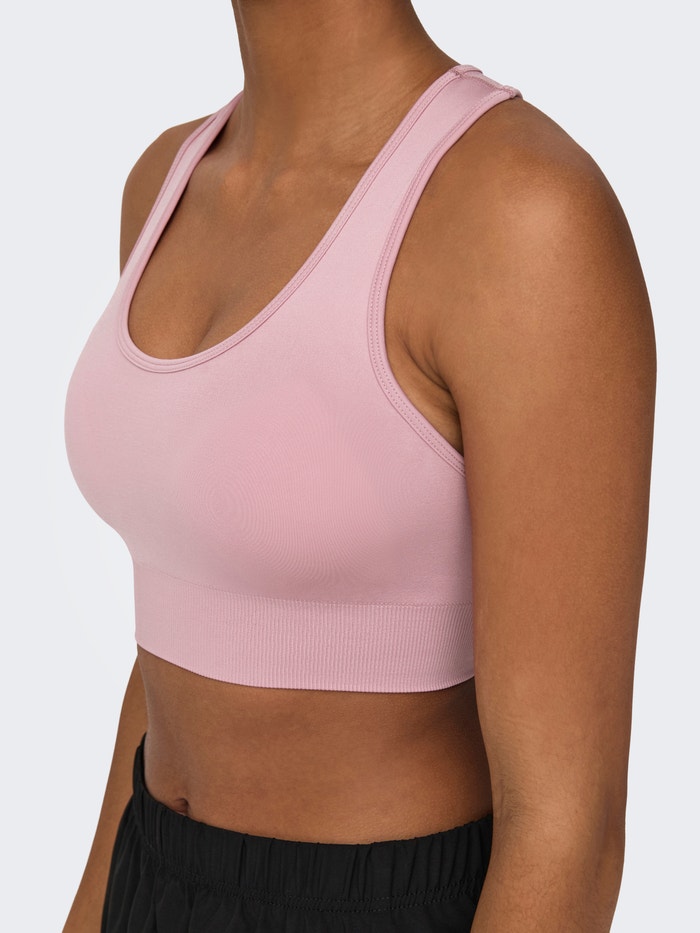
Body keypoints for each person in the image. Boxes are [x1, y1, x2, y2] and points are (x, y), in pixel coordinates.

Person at [61, 1, 656, 931]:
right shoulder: (166, 184)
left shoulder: (520, 213)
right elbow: (176, 649)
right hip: (151, 872)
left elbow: (567, 835)